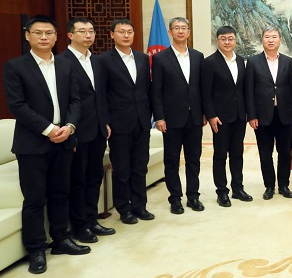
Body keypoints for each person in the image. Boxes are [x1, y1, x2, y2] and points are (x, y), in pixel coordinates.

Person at [3, 15, 88, 274]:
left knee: (61, 192)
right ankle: (36, 249)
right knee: (35, 198)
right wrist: (49, 129)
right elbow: (17, 106)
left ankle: (61, 238)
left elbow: (75, 100)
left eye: (49, 33)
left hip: (64, 139)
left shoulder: (65, 65)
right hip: (32, 144)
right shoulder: (15, 67)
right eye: (38, 33)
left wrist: (69, 126)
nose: (43, 37)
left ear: (56, 37)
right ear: (27, 36)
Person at [59, 17, 115, 244]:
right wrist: (69, 130)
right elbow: (63, 101)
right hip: (77, 131)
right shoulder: (61, 61)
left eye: (91, 31)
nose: (88, 35)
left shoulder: (97, 61)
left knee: (94, 177)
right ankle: (79, 226)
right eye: (82, 31)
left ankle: (92, 220)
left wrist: (105, 121)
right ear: (70, 35)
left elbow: (101, 95)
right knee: (78, 180)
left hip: (98, 129)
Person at [99, 18, 154, 225]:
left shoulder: (142, 58)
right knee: (121, 170)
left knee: (140, 167)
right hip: (118, 123)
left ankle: (140, 206)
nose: (126, 35)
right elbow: (101, 94)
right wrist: (105, 120)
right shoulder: (103, 60)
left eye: (129, 32)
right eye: (121, 32)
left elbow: (146, 89)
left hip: (141, 122)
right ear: (112, 34)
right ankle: (124, 208)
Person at [151, 17, 205, 214]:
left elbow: (202, 88)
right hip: (171, 119)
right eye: (177, 28)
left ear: (189, 32)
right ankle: (175, 198)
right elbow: (156, 91)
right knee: (172, 160)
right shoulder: (160, 58)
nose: (180, 31)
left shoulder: (198, 56)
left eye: (184, 28)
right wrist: (159, 117)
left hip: (195, 118)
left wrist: (204, 113)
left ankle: (193, 196)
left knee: (194, 159)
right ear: (170, 32)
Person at [202, 26, 252, 207]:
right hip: (220, 118)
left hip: (239, 116)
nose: (227, 42)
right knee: (220, 155)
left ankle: (238, 188)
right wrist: (211, 115)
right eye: (223, 39)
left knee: (237, 154)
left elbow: (243, 89)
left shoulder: (240, 60)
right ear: (217, 41)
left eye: (230, 38)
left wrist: (247, 112)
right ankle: (222, 192)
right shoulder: (209, 62)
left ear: (235, 40)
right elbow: (205, 93)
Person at [246, 26, 292, 200]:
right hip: (262, 115)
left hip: (285, 114)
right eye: (267, 37)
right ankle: (269, 186)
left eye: (274, 37)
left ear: (280, 40)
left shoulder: (288, 61)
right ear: (262, 40)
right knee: (265, 153)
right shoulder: (253, 61)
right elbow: (249, 90)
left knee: (285, 152)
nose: (271, 40)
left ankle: (284, 185)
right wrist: (251, 115)